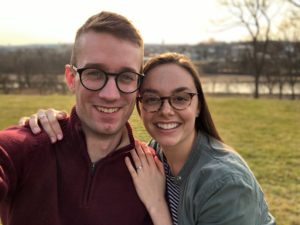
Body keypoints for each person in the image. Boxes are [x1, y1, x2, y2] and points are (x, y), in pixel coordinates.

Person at [23, 52, 276, 224]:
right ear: (139, 106)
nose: (166, 110)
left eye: (180, 98)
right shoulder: (153, 155)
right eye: (153, 99)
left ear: (198, 105)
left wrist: (156, 204)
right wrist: (54, 122)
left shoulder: (225, 184)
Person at [0, 11, 172, 225]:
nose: (110, 94)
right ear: (71, 78)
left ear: (139, 87)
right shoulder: (28, 147)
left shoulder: (151, 173)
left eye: (126, 77)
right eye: (95, 73)